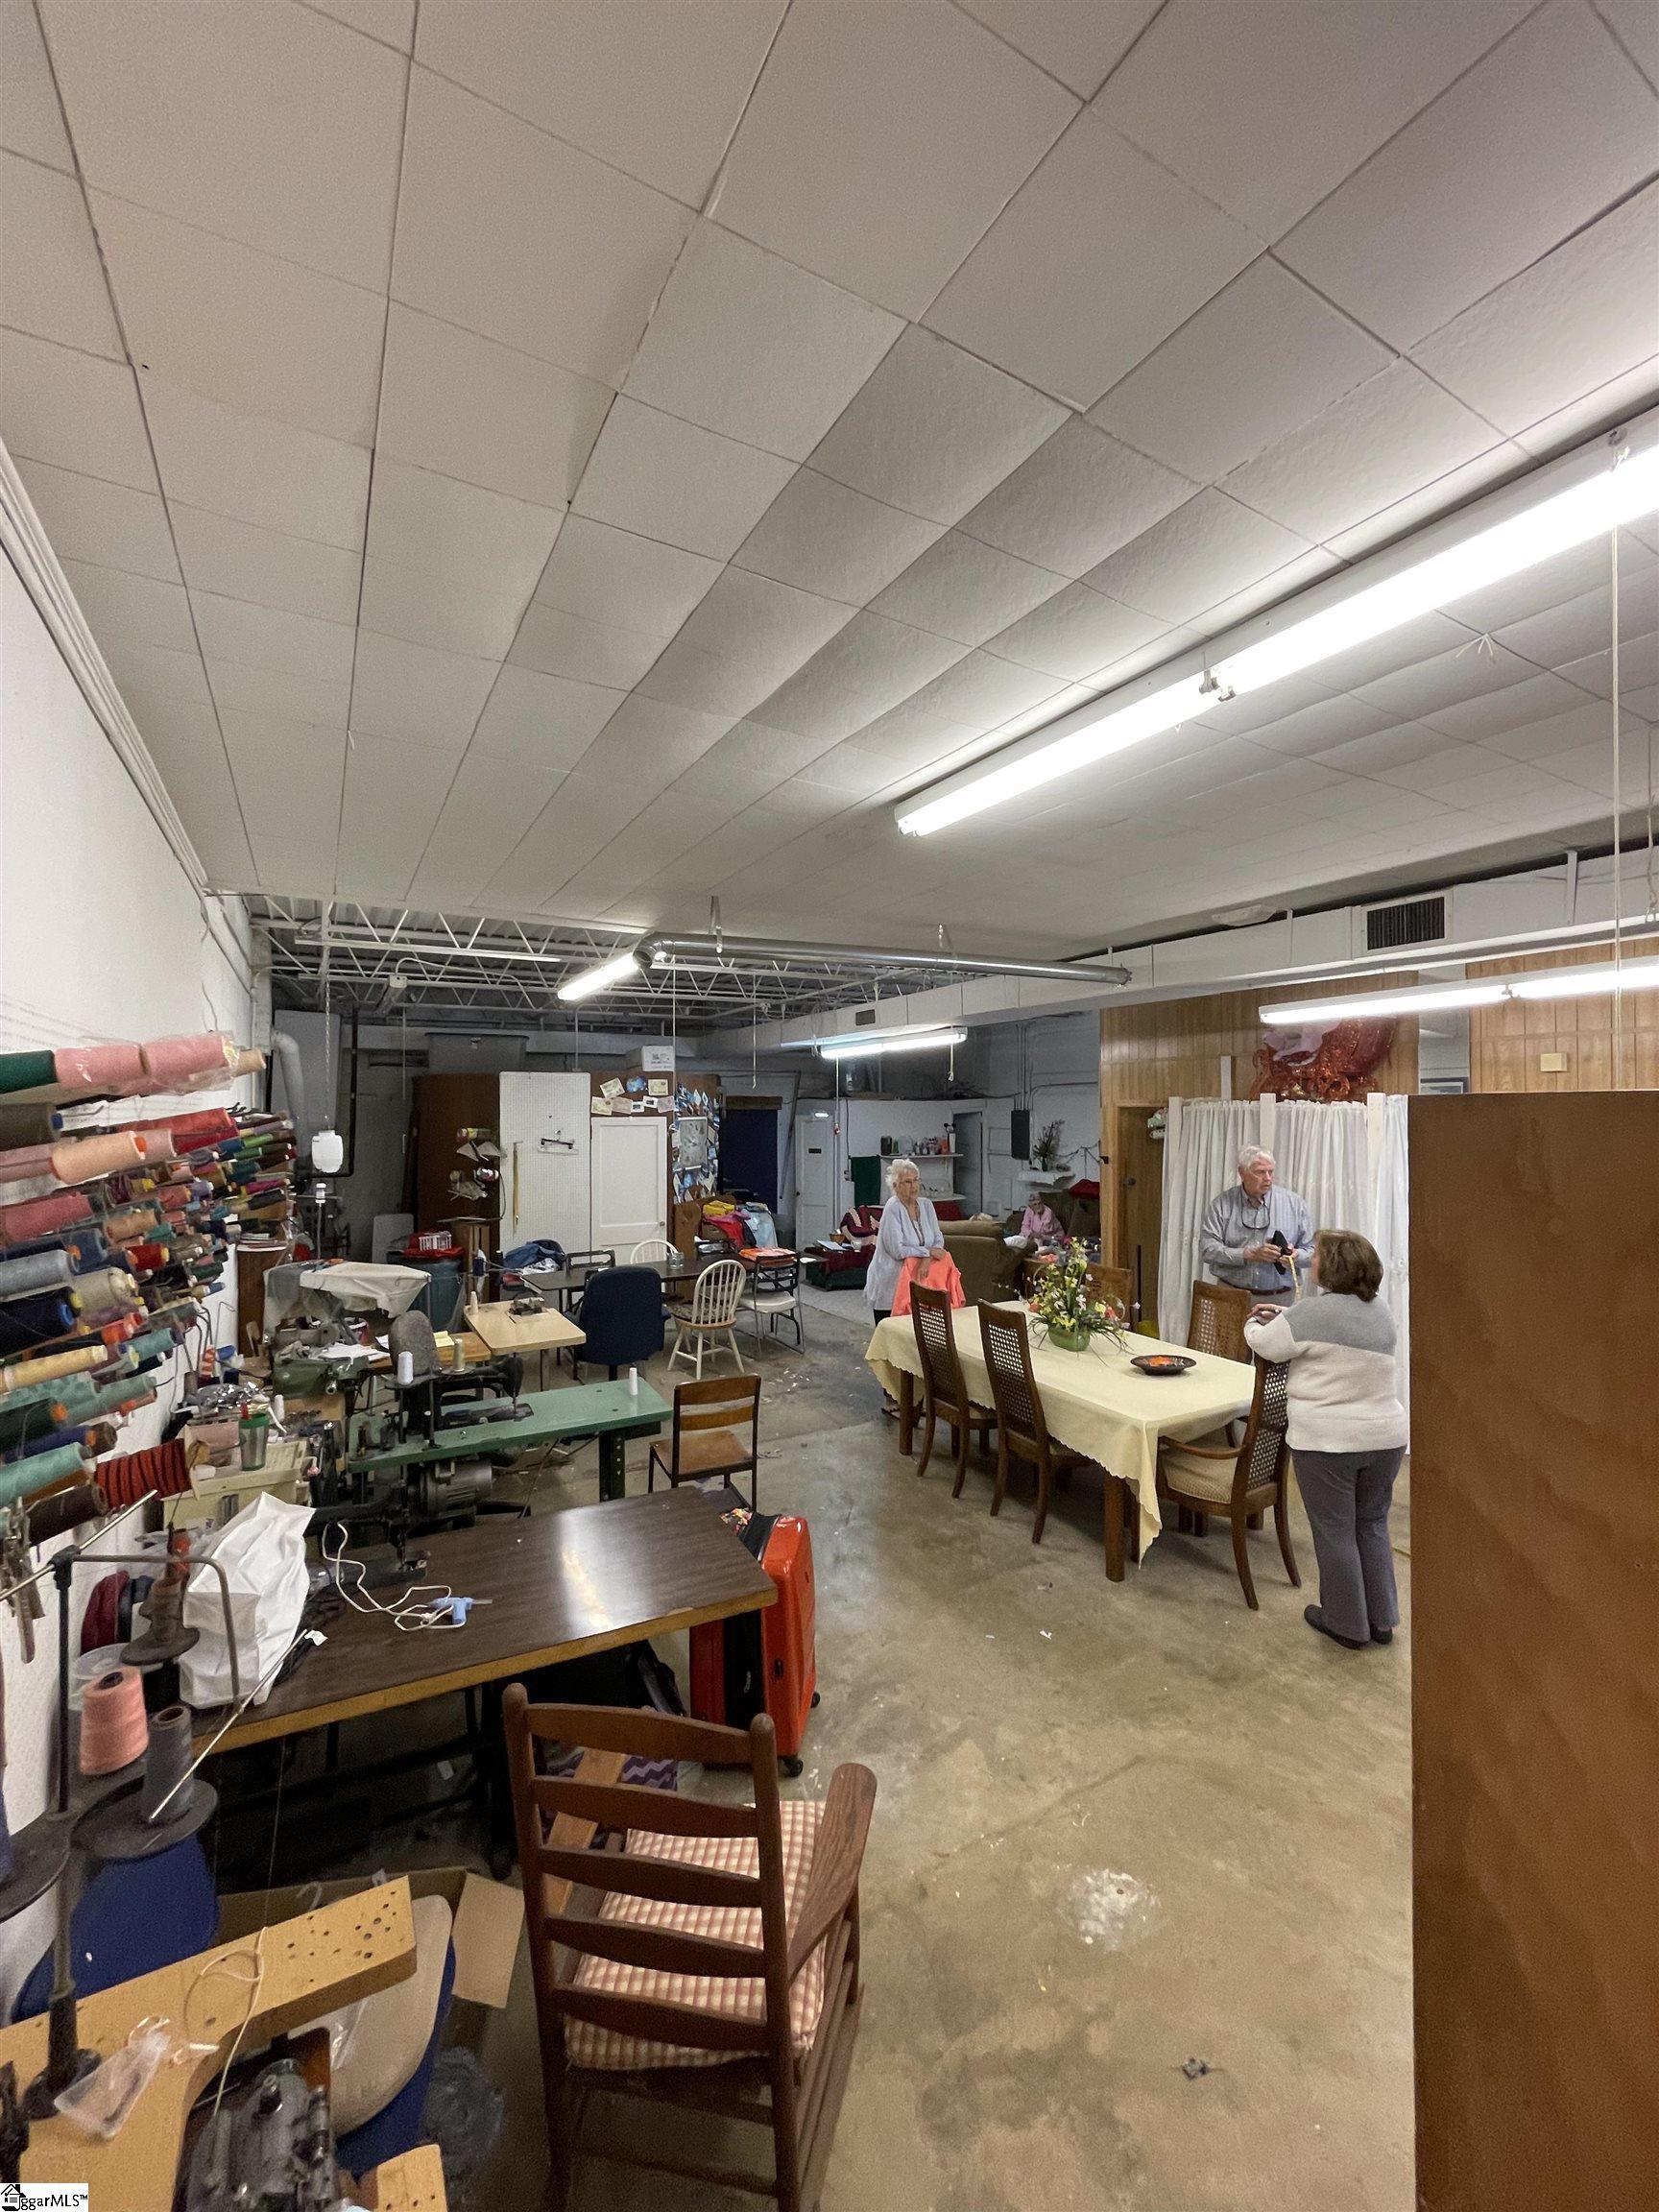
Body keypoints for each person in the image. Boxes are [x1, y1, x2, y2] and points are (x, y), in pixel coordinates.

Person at [1243, 1229, 1407, 1651]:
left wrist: (1254, 1321)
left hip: (1329, 1442)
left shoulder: (1311, 1314)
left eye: (1316, 1255)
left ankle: (1346, 1623)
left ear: (1332, 1266)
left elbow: (1264, 1344)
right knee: (1371, 1524)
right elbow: (1332, 1330)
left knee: (1335, 1530)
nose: (1309, 1260)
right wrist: (1288, 1316)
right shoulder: (1381, 1311)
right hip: (1386, 1438)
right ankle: (1381, 1620)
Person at [1200, 1144, 1313, 1305]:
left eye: (1271, 1172)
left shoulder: (1295, 1204)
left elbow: (1312, 1252)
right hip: (1232, 1295)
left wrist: (1296, 1256)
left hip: (1280, 1298)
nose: (1268, 1178)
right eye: (1260, 1172)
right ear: (1242, 1173)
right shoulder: (1222, 1204)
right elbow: (1207, 1250)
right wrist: (1248, 1254)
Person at [866, 1156, 946, 1325]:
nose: (914, 1185)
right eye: (908, 1182)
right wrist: (928, 1251)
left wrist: (928, 1257)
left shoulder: (926, 1205)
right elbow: (898, 1250)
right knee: (890, 1336)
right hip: (891, 1285)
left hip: (918, 1281)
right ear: (895, 1186)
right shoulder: (892, 1207)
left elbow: (938, 1239)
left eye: (916, 1180)